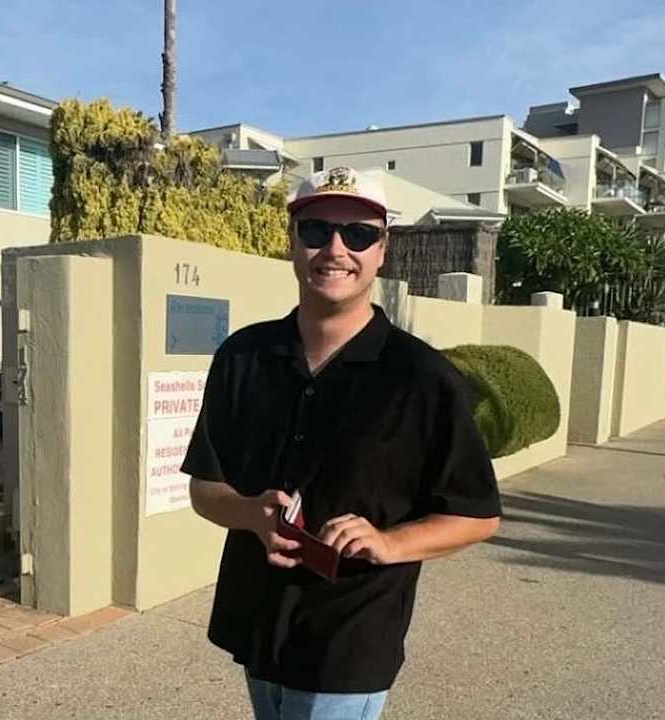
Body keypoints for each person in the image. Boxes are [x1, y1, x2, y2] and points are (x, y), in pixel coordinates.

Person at [183, 166, 502, 720]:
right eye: (316, 231)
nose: (335, 249)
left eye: (357, 234)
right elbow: (205, 489)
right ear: (292, 241)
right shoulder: (243, 357)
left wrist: (389, 543)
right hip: (258, 624)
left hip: (351, 637)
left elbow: (477, 516)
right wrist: (250, 513)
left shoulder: (423, 378)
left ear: (382, 250)